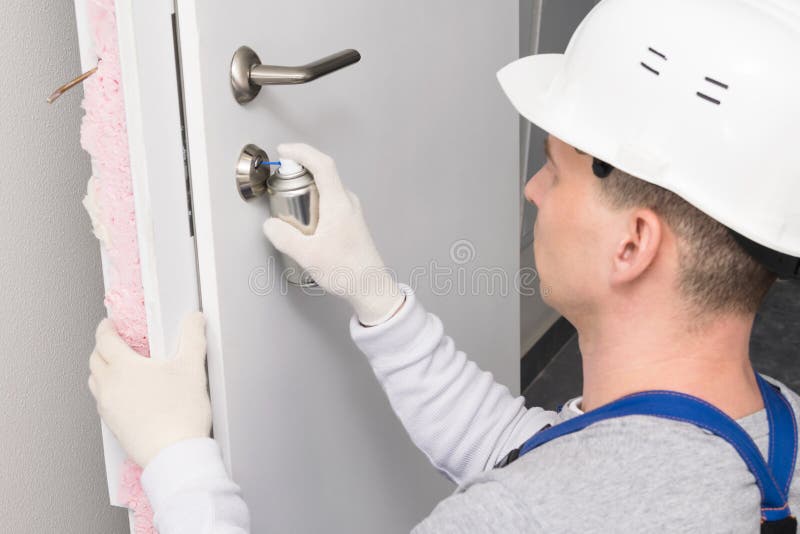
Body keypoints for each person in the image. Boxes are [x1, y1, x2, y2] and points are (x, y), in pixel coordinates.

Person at [87, 0, 800, 531]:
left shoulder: (524, 517)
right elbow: (530, 451)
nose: (533, 190)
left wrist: (178, 458)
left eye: (555, 172)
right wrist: (375, 295)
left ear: (632, 245)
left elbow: (544, 490)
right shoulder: (768, 428)